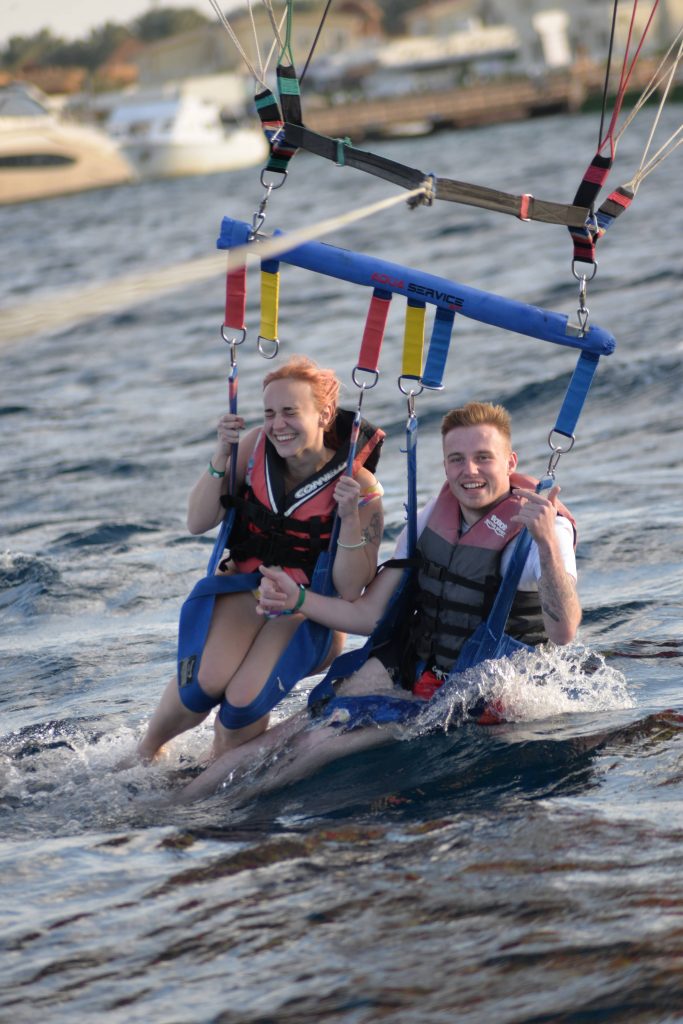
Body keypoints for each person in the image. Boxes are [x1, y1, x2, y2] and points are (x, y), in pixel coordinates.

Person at [177, 400, 581, 803]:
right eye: (456, 459)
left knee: (320, 744)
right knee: (290, 732)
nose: (469, 471)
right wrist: (298, 598)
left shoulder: (543, 531)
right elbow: (369, 614)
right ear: (444, 465)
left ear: (509, 462)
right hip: (416, 669)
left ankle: (227, 812)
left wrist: (545, 544)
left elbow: (564, 632)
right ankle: (174, 805)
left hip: (479, 691)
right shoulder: (429, 520)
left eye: (482, 458)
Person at [135, 355, 385, 764]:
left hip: (304, 610)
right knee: (201, 686)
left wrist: (350, 519)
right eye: (269, 413)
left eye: (290, 411)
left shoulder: (359, 485)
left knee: (242, 706)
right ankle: (146, 753)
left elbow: (349, 588)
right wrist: (221, 455)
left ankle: (217, 776)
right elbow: (198, 521)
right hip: (243, 589)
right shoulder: (252, 448)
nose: (277, 424)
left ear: (324, 415)